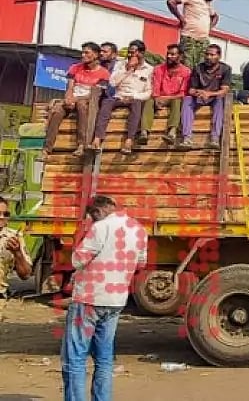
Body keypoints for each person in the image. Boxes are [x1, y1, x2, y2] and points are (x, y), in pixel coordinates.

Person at [63, 195, 147, 401]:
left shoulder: (100, 228)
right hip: (116, 300)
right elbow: (141, 264)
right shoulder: (139, 229)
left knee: (75, 358)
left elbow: (76, 260)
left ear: (97, 212)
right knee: (104, 359)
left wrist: (85, 233)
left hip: (89, 299)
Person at [43, 42, 110, 159]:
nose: (83, 55)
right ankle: (47, 148)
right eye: (83, 52)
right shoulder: (75, 68)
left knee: (82, 107)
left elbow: (96, 94)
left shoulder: (104, 73)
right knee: (57, 110)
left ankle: (81, 145)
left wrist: (77, 99)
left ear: (95, 55)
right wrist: (68, 98)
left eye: (87, 53)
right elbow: (70, 86)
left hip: (88, 100)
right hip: (72, 97)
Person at [93, 41, 154, 154]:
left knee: (137, 105)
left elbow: (148, 92)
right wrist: (127, 69)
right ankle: (98, 137)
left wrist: (134, 96)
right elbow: (113, 82)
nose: (131, 55)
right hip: (118, 96)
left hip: (135, 97)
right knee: (106, 103)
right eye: (129, 53)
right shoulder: (120, 64)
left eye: (134, 53)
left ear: (141, 53)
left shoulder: (149, 69)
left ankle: (129, 140)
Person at [180, 44, 232, 149]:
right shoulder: (198, 68)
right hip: (199, 96)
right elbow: (191, 89)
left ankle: (215, 138)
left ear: (219, 56)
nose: (208, 57)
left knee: (219, 101)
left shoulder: (225, 69)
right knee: (187, 100)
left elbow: (224, 90)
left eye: (212, 55)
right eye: (207, 54)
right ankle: (187, 137)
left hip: (215, 97)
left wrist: (209, 94)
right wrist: (199, 93)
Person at [142, 43, 190, 146]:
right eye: (168, 54)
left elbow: (182, 93)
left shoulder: (186, 71)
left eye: (173, 54)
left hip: (174, 99)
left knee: (177, 102)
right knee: (148, 100)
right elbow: (155, 88)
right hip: (159, 98)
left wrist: (165, 98)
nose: (169, 56)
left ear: (180, 57)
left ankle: (172, 132)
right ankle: (144, 133)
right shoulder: (158, 69)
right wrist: (157, 98)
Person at [167, 0, 220, 67]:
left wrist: (209, 28)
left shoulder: (208, 4)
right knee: (187, 67)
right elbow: (171, 2)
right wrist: (181, 18)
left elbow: (215, 17)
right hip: (189, 39)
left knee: (201, 69)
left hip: (203, 41)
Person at [0, 196, 33, 302]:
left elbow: (26, 275)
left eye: (6, 214)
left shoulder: (13, 237)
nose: (2, 217)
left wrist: (17, 253)